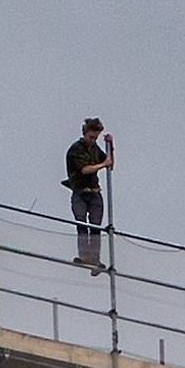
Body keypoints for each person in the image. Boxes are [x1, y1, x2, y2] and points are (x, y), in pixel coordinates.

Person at [64, 117, 114, 273]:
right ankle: (84, 256)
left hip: (94, 193)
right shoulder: (75, 150)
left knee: (95, 226)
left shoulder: (94, 148)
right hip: (80, 192)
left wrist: (110, 146)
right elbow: (85, 169)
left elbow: (109, 164)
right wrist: (103, 164)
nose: (93, 140)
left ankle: (94, 258)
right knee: (81, 223)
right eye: (91, 137)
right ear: (84, 134)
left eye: (96, 138)